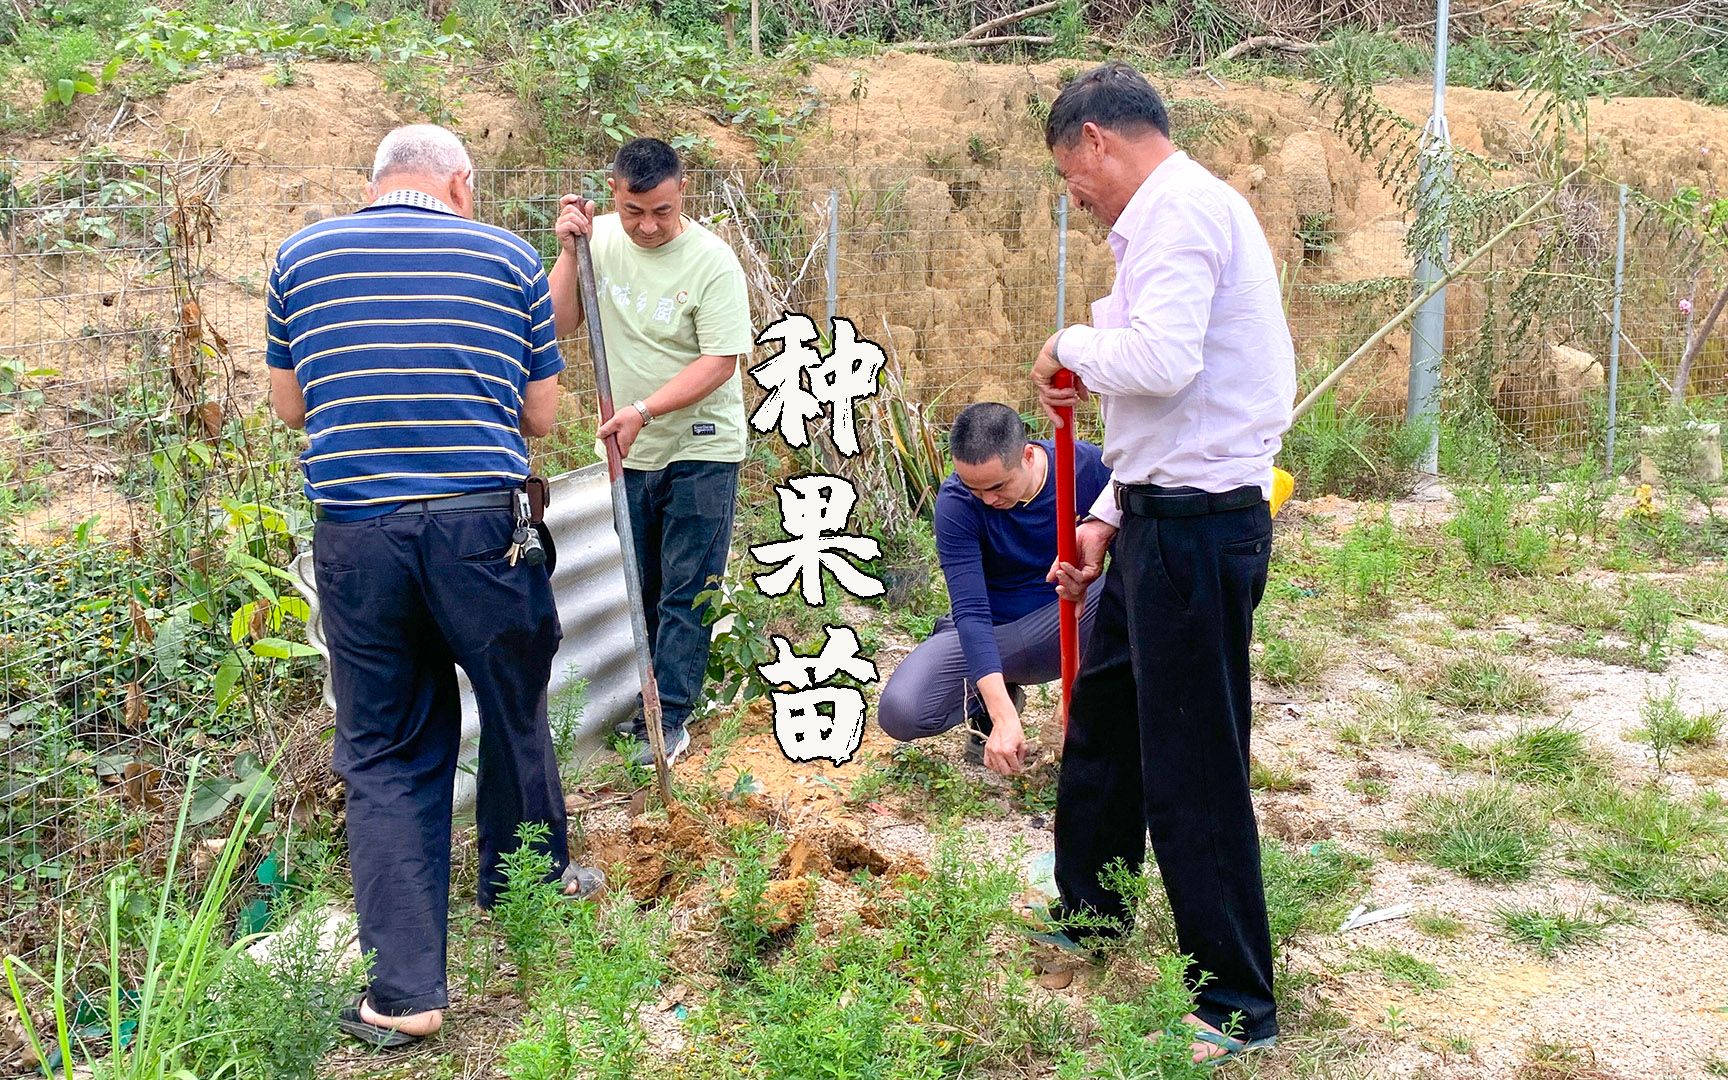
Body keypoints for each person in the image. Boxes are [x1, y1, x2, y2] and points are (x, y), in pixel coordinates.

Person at [266, 125, 603, 1048]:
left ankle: (406, 993)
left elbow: (291, 405)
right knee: (515, 701)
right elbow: (538, 413)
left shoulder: (301, 256)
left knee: (384, 751)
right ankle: (522, 882)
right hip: (478, 531)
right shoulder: (505, 256)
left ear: (374, 182)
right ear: (460, 183)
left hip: (358, 535)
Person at [1030, 63, 1296, 1065]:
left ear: (1098, 139)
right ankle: (1090, 913)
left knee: (1192, 760)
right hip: (1156, 516)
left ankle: (1235, 999)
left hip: (1197, 530)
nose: (1077, 195)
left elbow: (1164, 362)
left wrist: (1070, 341)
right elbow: (1169, 413)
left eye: (1073, 174)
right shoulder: (1170, 219)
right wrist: (1105, 511)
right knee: (1106, 722)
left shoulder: (1183, 213)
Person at [549, 138, 753, 768]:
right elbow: (559, 323)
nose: (648, 225)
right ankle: (653, 700)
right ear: (615, 193)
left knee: (685, 589)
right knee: (643, 581)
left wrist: (644, 411)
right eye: (635, 210)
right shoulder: (597, 242)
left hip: (701, 447)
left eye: (661, 211)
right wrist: (566, 250)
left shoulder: (712, 264)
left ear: (681, 192)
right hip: (628, 448)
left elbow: (721, 360)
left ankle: (667, 717)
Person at [876, 403, 1109, 776]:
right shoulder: (956, 502)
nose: (987, 500)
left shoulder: (1086, 468)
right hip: (994, 633)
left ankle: (1112, 715)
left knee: (1128, 585)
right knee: (901, 712)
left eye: (997, 486)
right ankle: (994, 701)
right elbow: (970, 611)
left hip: (1068, 620)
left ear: (1027, 456)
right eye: (974, 488)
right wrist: (1002, 716)